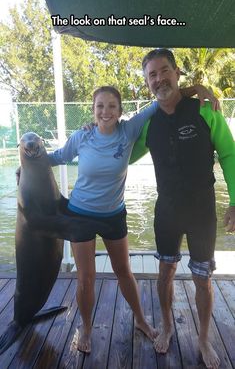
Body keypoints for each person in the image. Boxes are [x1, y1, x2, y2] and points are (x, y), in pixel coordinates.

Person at [47, 84, 218, 354]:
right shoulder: (82, 137)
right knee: (85, 278)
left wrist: (197, 89)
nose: (105, 111)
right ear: (93, 111)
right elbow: (59, 157)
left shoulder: (129, 130)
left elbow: (163, 97)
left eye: (111, 106)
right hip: (80, 214)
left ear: (120, 111)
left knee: (124, 271)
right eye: (100, 106)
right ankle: (87, 328)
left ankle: (140, 319)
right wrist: (31, 161)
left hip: (114, 214)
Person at [135, 48, 235, 369]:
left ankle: (204, 338)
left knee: (203, 279)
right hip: (167, 210)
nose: (159, 78)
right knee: (165, 272)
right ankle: (166, 326)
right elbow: (117, 154)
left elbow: (230, 155)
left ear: (177, 73)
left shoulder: (205, 110)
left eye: (164, 71)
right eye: (152, 74)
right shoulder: (148, 123)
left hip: (201, 210)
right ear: (147, 82)